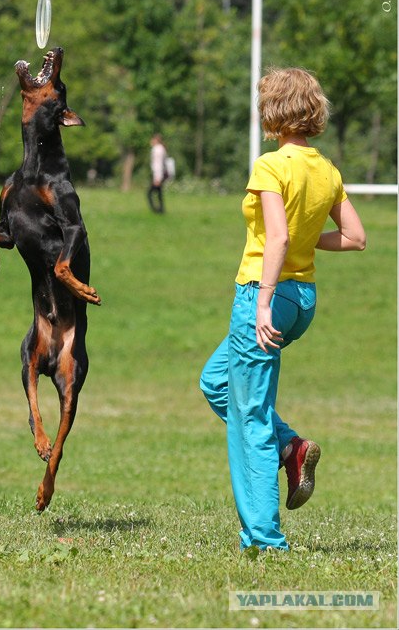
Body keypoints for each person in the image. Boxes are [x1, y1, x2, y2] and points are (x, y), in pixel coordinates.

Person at [200, 67, 366, 552]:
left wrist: (264, 301)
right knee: (215, 382)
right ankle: (291, 447)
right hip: (303, 299)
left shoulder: (271, 166)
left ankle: (265, 540)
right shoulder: (326, 170)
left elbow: (279, 236)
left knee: (249, 417)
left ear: (272, 112)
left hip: (265, 295)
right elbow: (356, 238)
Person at [147, 134, 167, 213]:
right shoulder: (161, 149)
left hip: (157, 175)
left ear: (156, 140)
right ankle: (161, 209)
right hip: (159, 174)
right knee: (159, 192)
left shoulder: (156, 150)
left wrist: (157, 178)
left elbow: (157, 164)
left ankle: (155, 209)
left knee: (149, 193)